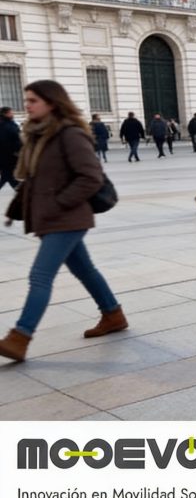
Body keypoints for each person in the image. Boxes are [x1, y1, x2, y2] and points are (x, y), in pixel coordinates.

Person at [0, 80, 127, 362]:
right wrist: (18, 207)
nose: (27, 105)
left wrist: (58, 204)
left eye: (33, 100)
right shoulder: (38, 135)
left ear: (52, 103)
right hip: (51, 217)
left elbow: (90, 177)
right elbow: (37, 179)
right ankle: (113, 314)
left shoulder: (69, 134)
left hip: (66, 217)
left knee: (40, 276)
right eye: (27, 99)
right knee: (85, 269)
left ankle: (20, 337)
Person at [0, 107, 21, 189]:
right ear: (5, 114)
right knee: (9, 177)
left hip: (6, 158)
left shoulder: (7, 124)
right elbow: (15, 141)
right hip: (9, 157)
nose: (13, 114)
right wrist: (16, 152)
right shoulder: (7, 126)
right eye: (11, 113)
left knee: (7, 177)